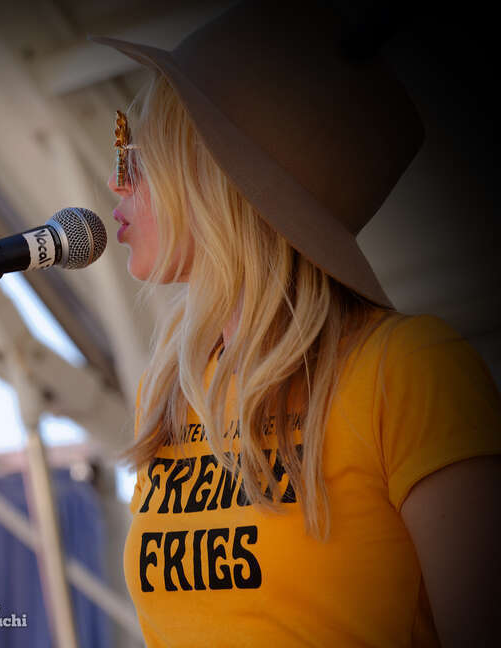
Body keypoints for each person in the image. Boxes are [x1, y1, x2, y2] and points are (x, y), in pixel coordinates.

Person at [93, 1, 501, 646]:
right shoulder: (169, 389)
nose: (116, 185)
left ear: (212, 178)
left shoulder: (407, 366)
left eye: (135, 156)